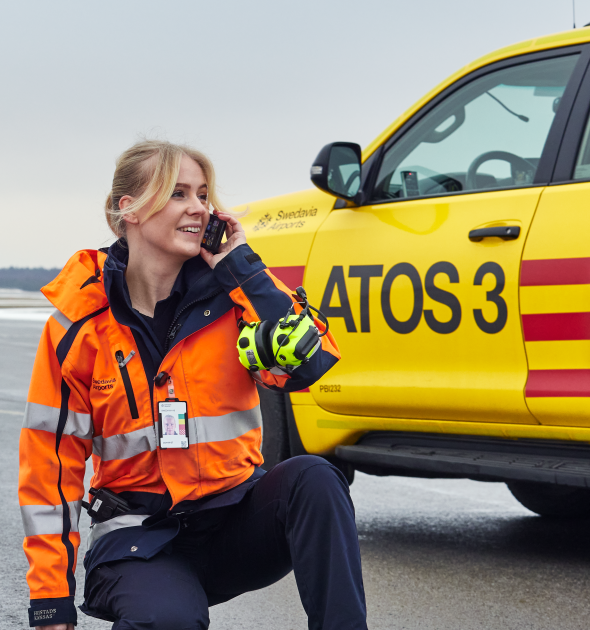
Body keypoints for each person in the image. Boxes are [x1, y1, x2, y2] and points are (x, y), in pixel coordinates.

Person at [18, 140, 364, 629]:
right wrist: (51, 602)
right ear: (130, 209)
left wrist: (242, 266)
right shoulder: (79, 326)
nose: (198, 208)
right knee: (167, 619)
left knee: (315, 479)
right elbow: (50, 474)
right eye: (178, 194)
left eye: (203, 195)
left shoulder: (235, 297)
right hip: (140, 540)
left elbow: (312, 360)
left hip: (233, 521)